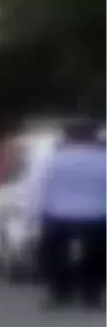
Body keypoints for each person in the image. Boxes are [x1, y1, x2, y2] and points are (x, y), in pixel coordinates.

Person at [31, 119, 107, 309]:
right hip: (97, 214)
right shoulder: (103, 158)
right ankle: (92, 294)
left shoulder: (53, 159)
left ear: (67, 137)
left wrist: (35, 213)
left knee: (55, 254)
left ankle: (60, 292)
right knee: (97, 256)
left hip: (58, 214)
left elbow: (38, 187)